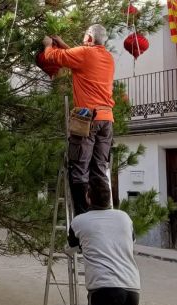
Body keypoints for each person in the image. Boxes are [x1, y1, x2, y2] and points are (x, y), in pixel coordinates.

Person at [43, 24, 115, 216]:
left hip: (86, 119)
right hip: (106, 119)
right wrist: (65, 45)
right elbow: (80, 59)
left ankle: (82, 219)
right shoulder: (107, 57)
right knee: (100, 168)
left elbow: (52, 57)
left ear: (90, 39)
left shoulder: (84, 53)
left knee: (80, 169)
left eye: (85, 38)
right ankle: (103, 214)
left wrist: (48, 44)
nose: (83, 41)